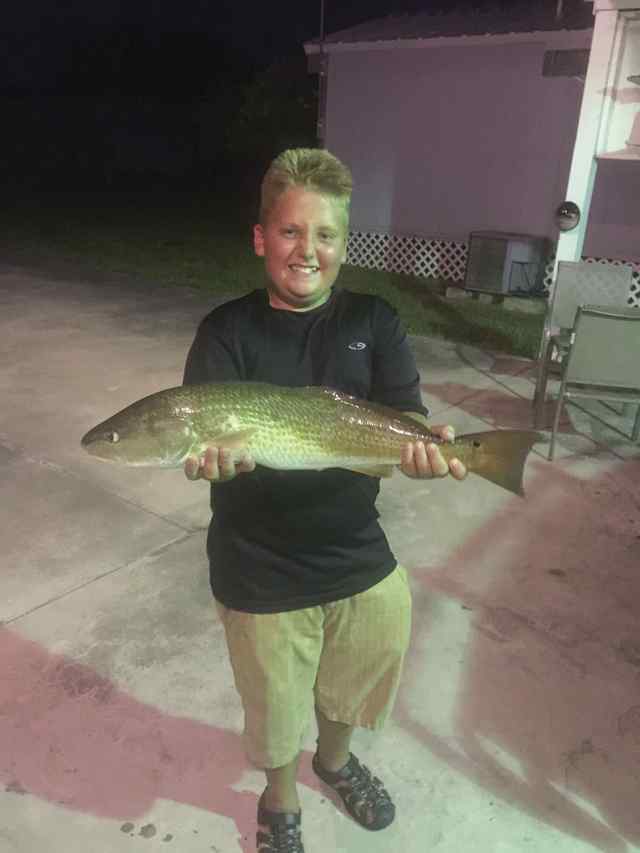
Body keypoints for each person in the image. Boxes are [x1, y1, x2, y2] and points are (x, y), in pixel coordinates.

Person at [182, 148, 466, 853]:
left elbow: (405, 423)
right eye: (289, 231)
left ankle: (334, 763)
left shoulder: (375, 319)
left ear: (344, 244)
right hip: (260, 564)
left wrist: (428, 456)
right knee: (275, 709)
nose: (306, 249)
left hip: (356, 551)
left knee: (360, 672)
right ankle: (280, 802)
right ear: (260, 238)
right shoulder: (226, 331)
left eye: (325, 234)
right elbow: (207, 445)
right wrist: (212, 462)